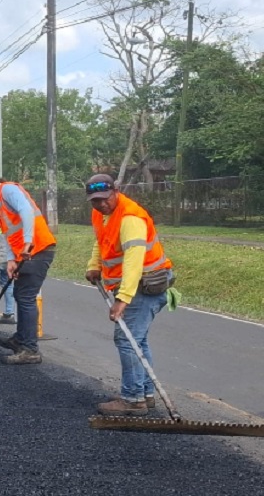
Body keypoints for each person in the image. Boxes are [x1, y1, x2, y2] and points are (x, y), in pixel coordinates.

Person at [83, 173, 174, 417]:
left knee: (126, 339)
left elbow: (134, 262)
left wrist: (122, 300)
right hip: (136, 285)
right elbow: (102, 242)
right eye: (95, 200)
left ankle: (133, 400)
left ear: (116, 191)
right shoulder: (102, 215)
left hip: (146, 285)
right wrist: (95, 265)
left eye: (105, 198)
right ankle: (144, 394)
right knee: (138, 340)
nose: (101, 204)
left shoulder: (130, 217)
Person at [0, 173, 56, 365]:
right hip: (23, 253)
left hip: (37, 249)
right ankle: (20, 339)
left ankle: (30, 349)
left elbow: (27, 211)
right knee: (20, 296)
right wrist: (10, 260)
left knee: (26, 298)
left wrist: (28, 242)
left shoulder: (8, 190)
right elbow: (8, 234)